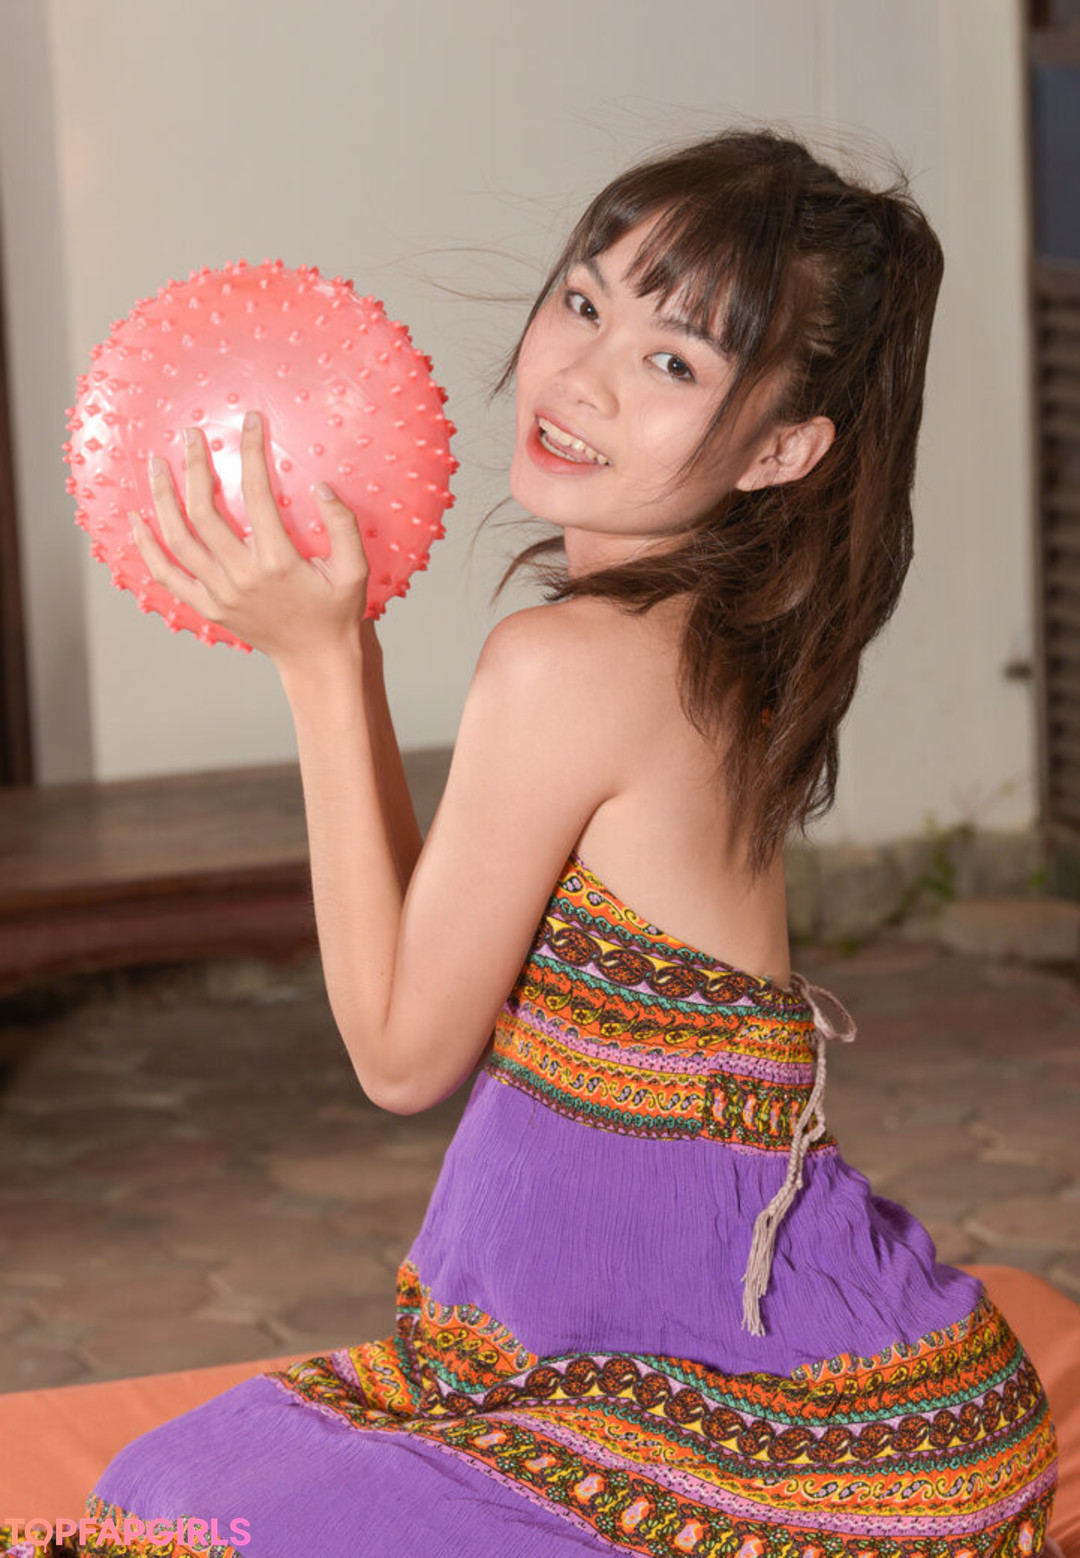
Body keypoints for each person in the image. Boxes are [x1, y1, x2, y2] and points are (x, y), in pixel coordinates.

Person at [66, 128, 1060, 1556]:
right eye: (585, 301)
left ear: (781, 449)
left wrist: (317, 662)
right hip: (750, 1365)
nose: (583, 377)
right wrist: (341, 653)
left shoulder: (572, 663)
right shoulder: (688, 638)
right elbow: (436, 950)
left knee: (195, 1515)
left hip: (771, 1402)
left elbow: (401, 1055)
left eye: (674, 363)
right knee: (190, 1488)